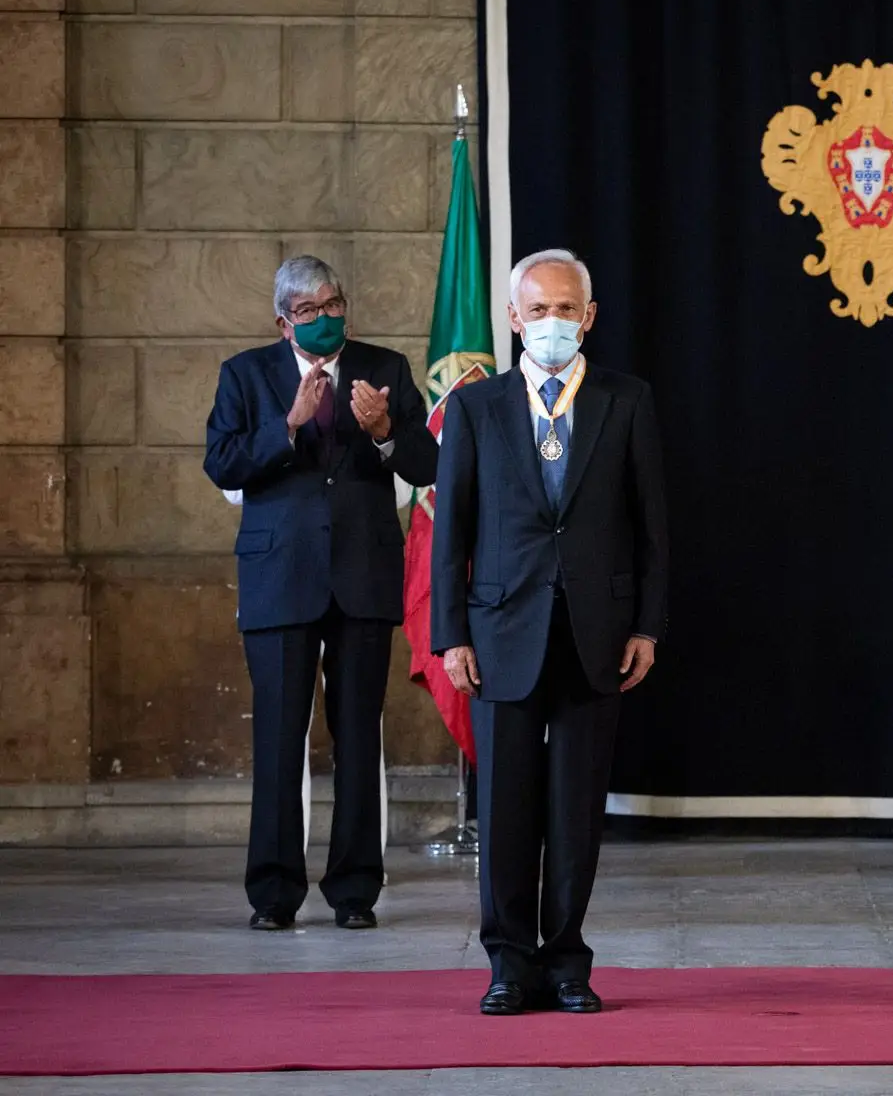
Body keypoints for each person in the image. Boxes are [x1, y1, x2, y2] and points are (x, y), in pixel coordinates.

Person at [431, 248, 669, 1015]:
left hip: (596, 633)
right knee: (505, 808)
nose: (553, 324)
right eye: (538, 311)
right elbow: (452, 532)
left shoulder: (626, 401)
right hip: (500, 631)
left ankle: (566, 960)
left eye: (567, 310)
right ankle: (508, 962)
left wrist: (647, 626)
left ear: (589, 317)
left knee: (575, 809)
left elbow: (652, 528)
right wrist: (451, 635)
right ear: (512, 319)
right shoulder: (475, 409)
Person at [203, 255, 438, 932]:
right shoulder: (246, 375)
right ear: (283, 322)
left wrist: (385, 433)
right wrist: (284, 426)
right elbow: (221, 461)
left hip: (363, 576)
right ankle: (275, 894)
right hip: (281, 578)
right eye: (308, 311)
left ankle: (355, 890)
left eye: (333, 304)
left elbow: (429, 465)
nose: (325, 317)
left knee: (359, 736)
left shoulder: (384, 368)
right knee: (281, 737)